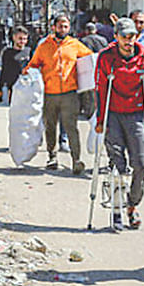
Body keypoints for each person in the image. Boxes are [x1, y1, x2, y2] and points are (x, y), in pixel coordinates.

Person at [95, 18, 144, 230]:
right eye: (124, 37)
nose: (128, 41)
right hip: (112, 115)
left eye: (132, 36)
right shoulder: (106, 58)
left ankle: (132, 205)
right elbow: (101, 89)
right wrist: (100, 121)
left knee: (141, 164)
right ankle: (116, 209)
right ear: (116, 37)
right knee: (118, 166)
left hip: (137, 115)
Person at [24, 14, 93, 173]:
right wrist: (26, 73)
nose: (63, 29)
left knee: (71, 128)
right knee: (50, 127)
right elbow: (34, 64)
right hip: (49, 94)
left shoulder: (75, 45)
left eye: (66, 26)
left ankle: (76, 160)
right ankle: (52, 157)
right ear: (53, 27)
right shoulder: (44, 46)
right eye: (60, 26)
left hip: (70, 94)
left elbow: (90, 59)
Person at [0, 26, 31, 103]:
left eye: (25, 39)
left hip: (27, 87)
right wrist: (0, 88)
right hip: (13, 87)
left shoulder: (29, 51)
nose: (22, 41)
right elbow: (4, 70)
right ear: (14, 38)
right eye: (20, 38)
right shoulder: (7, 52)